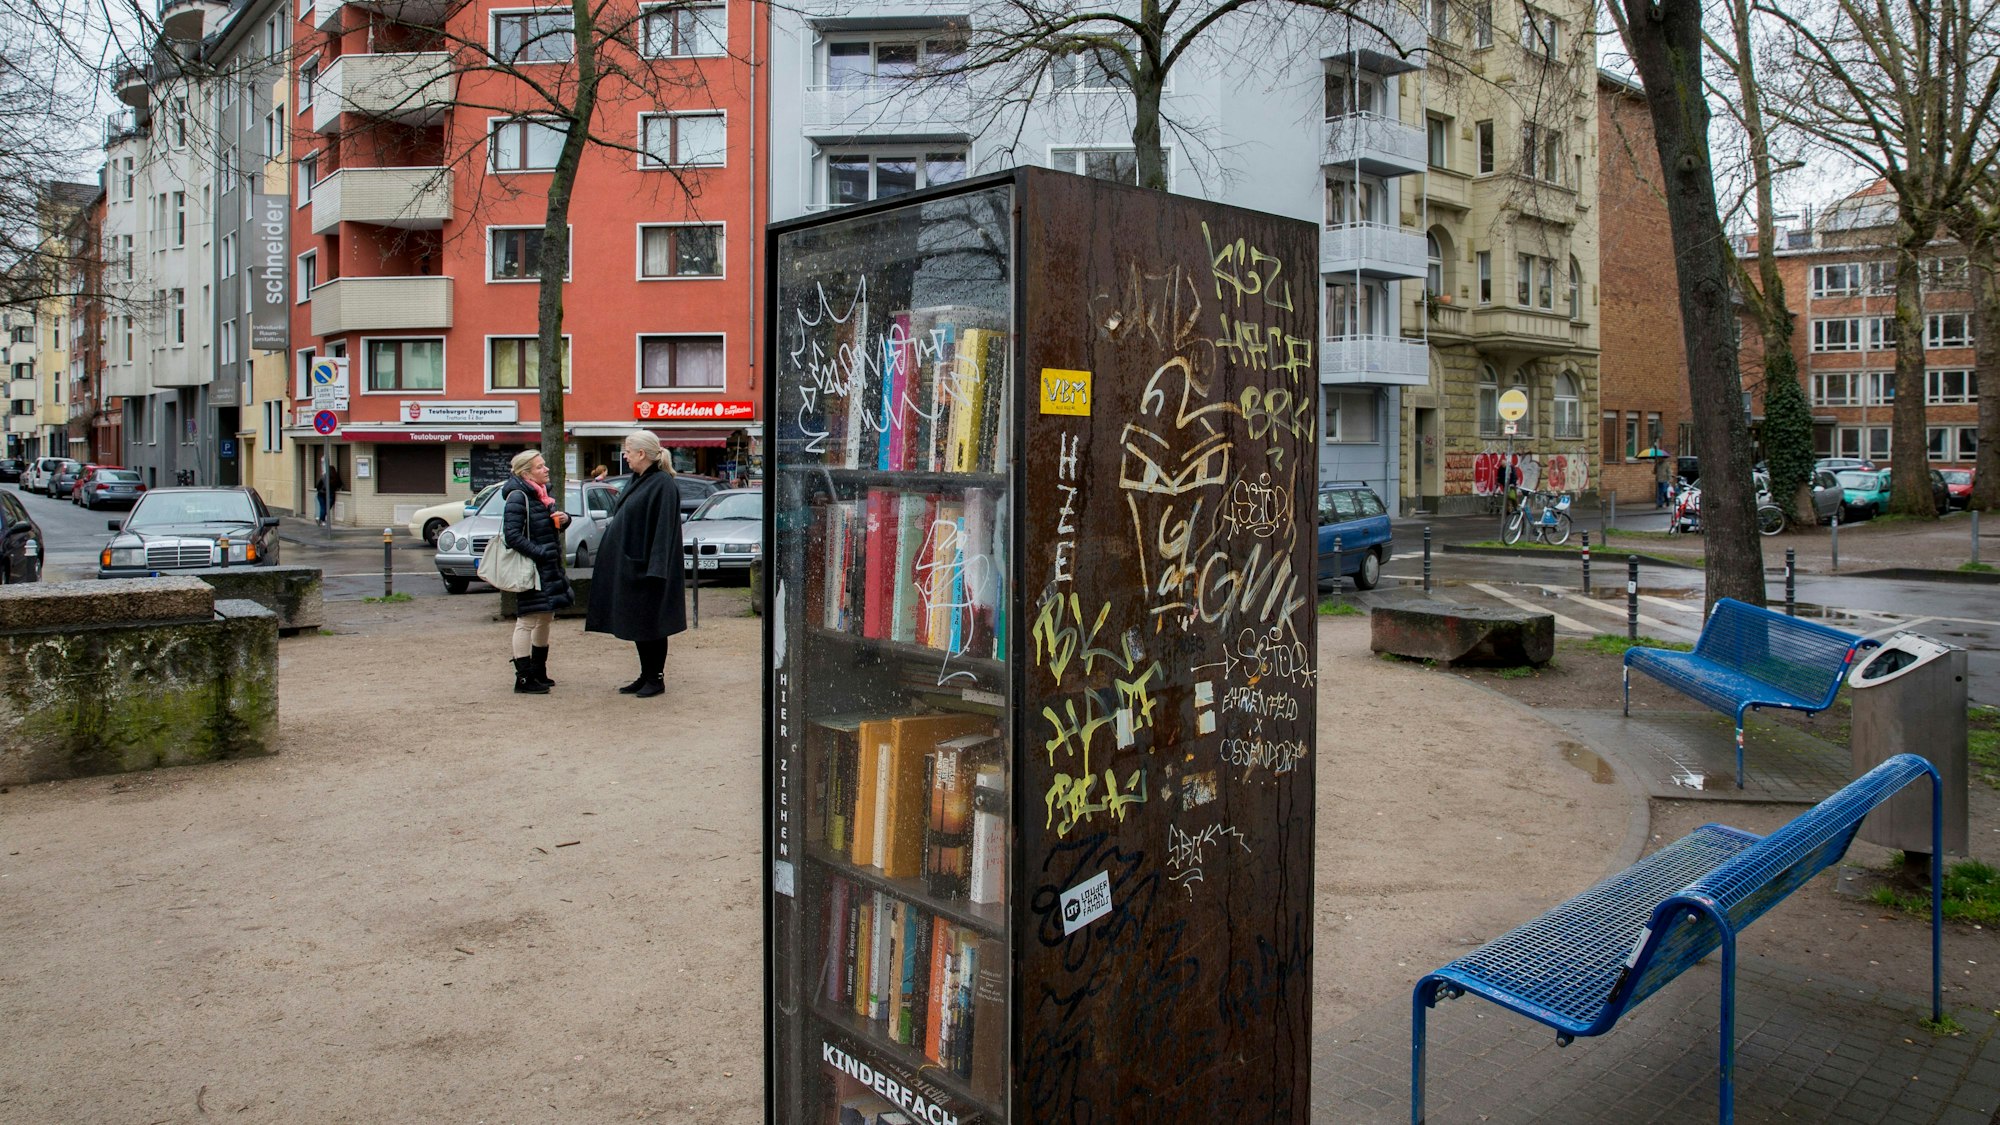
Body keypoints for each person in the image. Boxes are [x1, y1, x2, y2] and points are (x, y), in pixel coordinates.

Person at [585, 431, 686, 698]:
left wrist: (657, 568)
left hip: (649, 569)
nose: (625, 456)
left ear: (642, 453)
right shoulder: (638, 480)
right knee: (638, 623)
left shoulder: (662, 484)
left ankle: (656, 678)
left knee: (652, 624)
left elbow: (664, 529)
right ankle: (645, 674)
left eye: (628, 451)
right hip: (634, 565)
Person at [501, 449, 574, 694]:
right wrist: (541, 552)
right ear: (526, 473)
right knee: (527, 619)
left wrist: (564, 520)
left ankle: (538, 670)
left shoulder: (541, 495)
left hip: (546, 566)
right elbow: (512, 536)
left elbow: (544, 527)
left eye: (544, 464)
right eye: (540, 466)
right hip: (532, 568)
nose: (546, 469)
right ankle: (523, 678)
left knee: (545, 615)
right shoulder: (518, 496)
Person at [315, 457, 341, 525]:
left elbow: (318, 485)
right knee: (326, 507)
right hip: (330, 494)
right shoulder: (336, 477)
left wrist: (320, 490)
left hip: (321, 494)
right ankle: (321, 520)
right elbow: (340, 485)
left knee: (323, 507)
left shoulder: (324, 476)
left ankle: (321, 520)